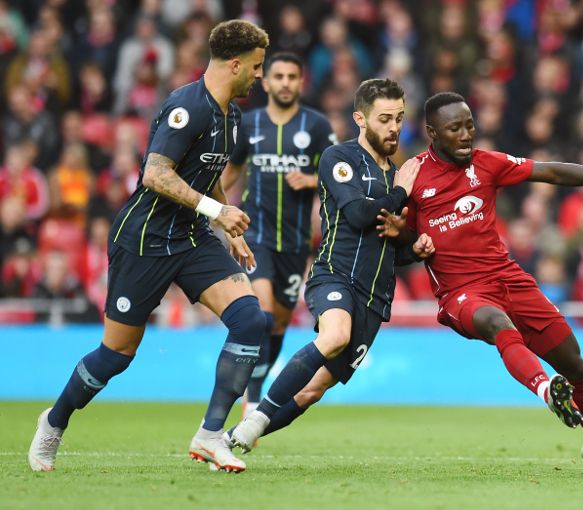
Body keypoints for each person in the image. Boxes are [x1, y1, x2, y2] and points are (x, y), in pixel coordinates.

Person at [28, 20, 269, 473]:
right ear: (235, 65)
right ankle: (54, 420)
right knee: (116, 355)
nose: (260, 75)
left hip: (191, 237)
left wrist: (228, 228)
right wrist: (217, 212)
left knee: (250, 320)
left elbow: (210, 173)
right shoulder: (187, 106)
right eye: (256, 67)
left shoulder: (231, 117)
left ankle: (209, 435)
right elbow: (155, 175)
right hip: (144, 239)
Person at [380, 92, 583, 474]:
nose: (465, 134)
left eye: (469, 125)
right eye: (454, 128)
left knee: (576, 365)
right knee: (497, 323)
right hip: (461, 293)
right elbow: (401, 239)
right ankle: (546, 388)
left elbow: (551, 172)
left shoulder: (487, 164)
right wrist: (406, 238)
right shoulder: (412, 176)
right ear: (432, 133)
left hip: (509, 278)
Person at [227, 78, 434, 450]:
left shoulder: (397, 174)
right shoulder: (340, 159)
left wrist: (414, 248)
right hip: (335, 276)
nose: (394, 127)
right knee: (334, 336)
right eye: (384, 118)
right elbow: (358, 215)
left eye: (399, 118)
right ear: (360, 119)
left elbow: (388, 248)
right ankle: (255, 415)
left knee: (312, 391)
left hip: (374, 299)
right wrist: (401, 192)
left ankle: (233, 438)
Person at [220, 52, 337, 417]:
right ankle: (253, 397)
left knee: (280, 323)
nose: (285, 83)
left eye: (292, 77)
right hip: (256, 235)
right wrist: (215, 210)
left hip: (297, 242)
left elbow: (339, 174)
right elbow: (229, 173)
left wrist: (312, 180)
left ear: (301, 82)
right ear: (266, 82)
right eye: (279, 76)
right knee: (264, 314)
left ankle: (255, 384)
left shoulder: (316, 126)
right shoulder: (250, 123)